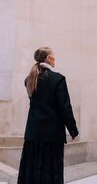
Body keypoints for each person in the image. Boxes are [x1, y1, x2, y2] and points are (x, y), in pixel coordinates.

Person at [18, 47, 79, 184]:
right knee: (50, 173)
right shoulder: (57, 79)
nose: (54, 59)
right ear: (48, 58)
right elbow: (65, 108)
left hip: (33, 133)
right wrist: (73, 131)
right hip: (52, 136)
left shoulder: (29, 79)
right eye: (53, 56)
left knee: (32, 171)